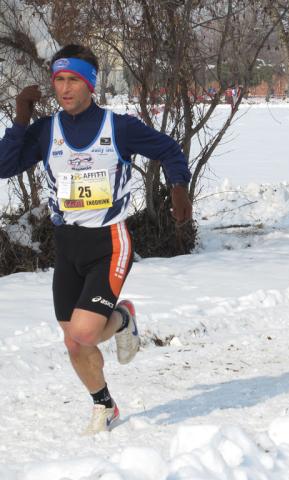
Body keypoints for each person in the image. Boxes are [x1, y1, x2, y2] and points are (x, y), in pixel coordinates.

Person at [0, 44, 192, 433]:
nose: (65, 89)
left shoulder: (117, 127)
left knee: (86, 331)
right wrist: (20, 120)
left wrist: (178, 188)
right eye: (59, 80)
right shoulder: (45, 132)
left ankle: (122, 317)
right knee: (74, 342)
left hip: (110, 242)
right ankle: (105, 405)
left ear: (90, 84)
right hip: (67, 244)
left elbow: (169, 150)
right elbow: (4, 166)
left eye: (73, 80)